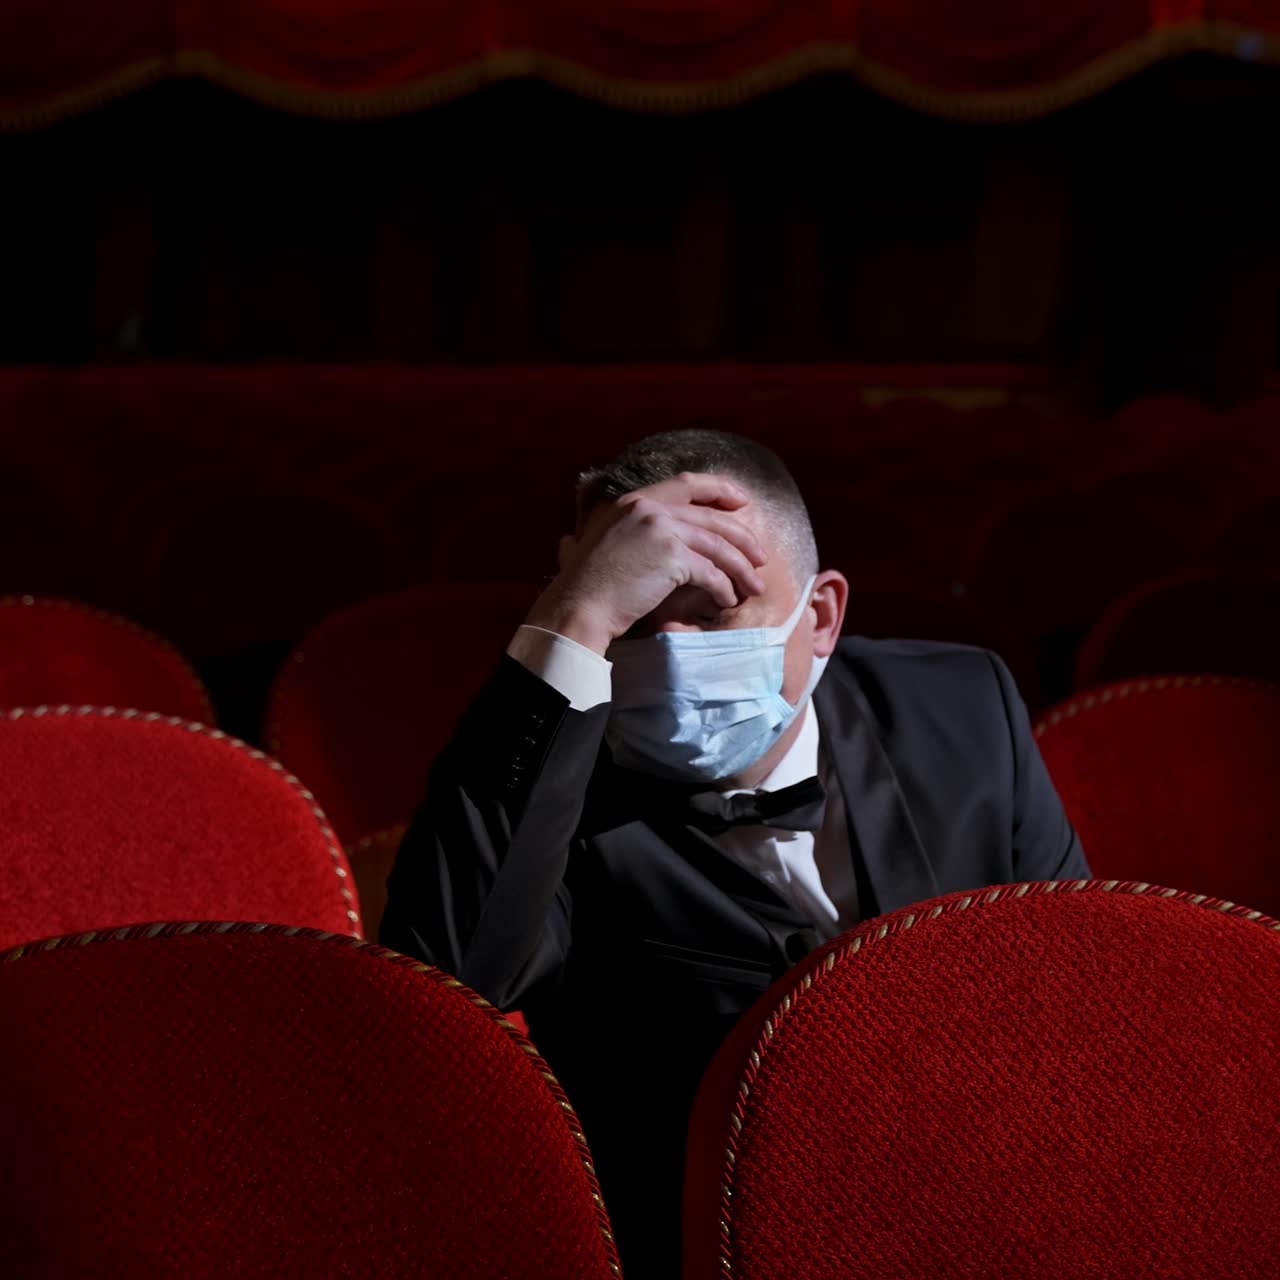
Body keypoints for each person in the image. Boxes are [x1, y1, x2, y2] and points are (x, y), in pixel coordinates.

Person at [381, 429, 1089, 1277]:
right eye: (638, 618)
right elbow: (450, 978)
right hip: (697, 1236)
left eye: (715, 611)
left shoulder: (961, 703)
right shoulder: (547, 784)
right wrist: (578, 616)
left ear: (820, 617)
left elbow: (1066, 979)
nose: (672, 652)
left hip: (971, 1203)